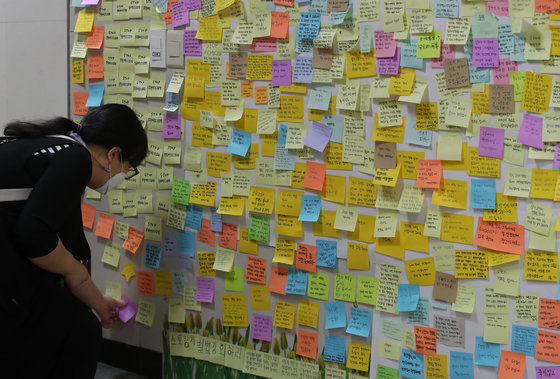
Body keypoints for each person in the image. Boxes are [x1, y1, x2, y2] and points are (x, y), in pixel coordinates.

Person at [0, 104, 148, 378]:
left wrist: (98, 302)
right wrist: (73, 271)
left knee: (77, 325)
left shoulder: (53, 146)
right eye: (128, 169)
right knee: (76, 332)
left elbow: (67, 250)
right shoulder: (75, 158)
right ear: (114, 155)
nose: (121, 178)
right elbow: (33, 235)